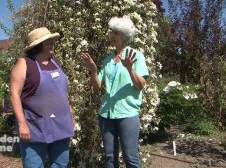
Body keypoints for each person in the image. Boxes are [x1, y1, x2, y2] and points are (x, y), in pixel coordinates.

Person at [81, 16, 149, 168]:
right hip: (106, 115)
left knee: (130, 157)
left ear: (125, 35)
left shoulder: (136, 56)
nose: (111, 35)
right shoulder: (108, 60)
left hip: (127, 114)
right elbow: (97, 86)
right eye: (111, 32)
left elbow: (141, 85)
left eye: (116, 32)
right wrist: (93, 70)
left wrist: (130, 68)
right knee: (110, 157)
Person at [10, 27, 74, 168]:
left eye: (52, 40)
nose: (52, 43)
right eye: (48, 41)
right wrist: (22, 123)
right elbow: (14, 94)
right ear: (38, 45)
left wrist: (69, 111)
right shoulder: (24, 63)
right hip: (34, 126)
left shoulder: (55, 62)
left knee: (60, 164)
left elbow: (61, 91)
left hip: (61, 124)